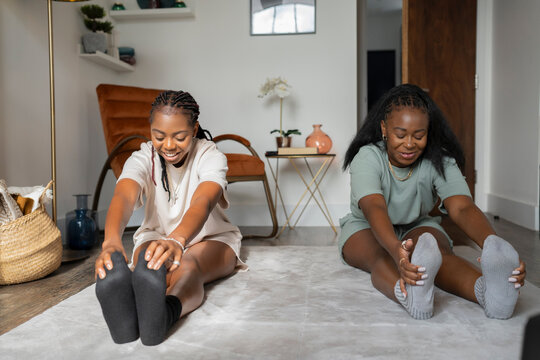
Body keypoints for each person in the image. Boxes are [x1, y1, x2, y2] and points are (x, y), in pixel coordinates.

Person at [339, 84, 526, 320]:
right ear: (384, 128)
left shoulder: (440, 159)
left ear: (428, 131)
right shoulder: (368, 156)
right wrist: (397, 250)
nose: (409, 144)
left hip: (418, 224)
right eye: (400, 134)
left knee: (439, 254)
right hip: (365, 225)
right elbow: (373, 206)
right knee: (382, 256)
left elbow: (462, 207)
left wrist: (493, 245)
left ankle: (490, 294)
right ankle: (409, 296)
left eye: (419, 136)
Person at [94, 90, 244, 345]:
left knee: (187, 265)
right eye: (159, 136)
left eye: (179, 136)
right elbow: (123, 197)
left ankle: (165, 313)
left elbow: (203, 201)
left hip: (211, 239)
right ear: (150, 130)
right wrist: (111, 241)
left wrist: (178, 240)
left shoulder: (211, 156)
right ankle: (136, 307)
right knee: (151, 264)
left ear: (194, 129)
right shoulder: (142, 157)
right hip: (156, 237)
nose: (169, 145)